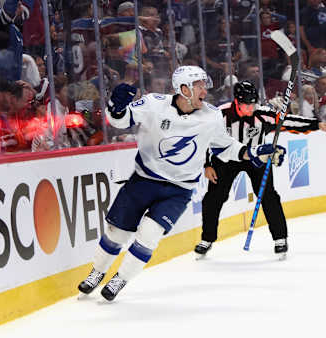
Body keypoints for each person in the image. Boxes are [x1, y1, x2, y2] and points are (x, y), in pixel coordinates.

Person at [77, 66, 286, 301]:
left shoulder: (211, 116)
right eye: (199, 86)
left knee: (150, 234)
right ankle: (97, 273)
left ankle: (120, 279)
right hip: (143, 181)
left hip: (179, 190)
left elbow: (226, 147)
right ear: (184, 88)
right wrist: (115, 108)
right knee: (117, 233)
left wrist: (256, 152)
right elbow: (120, 120)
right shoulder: (153, 105)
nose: (205, 91)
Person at [194, 80, 326, 259]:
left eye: (253, 103)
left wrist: (317, 125)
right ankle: (207, 239)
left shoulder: (262, 113)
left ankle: (280, 238)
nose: (251, 108)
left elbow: (288, 121)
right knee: (214, 198)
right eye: (247, 104)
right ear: (236, 101)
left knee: (269, 195)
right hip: (225, 159)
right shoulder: (220, 115)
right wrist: (207, 164)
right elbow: (205, 138)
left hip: (256, 157)